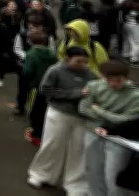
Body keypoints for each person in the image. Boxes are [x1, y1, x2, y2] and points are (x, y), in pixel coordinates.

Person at [27, 46, 97, 194]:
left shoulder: (91, 75)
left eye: (85, 62)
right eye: (78, 61)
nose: (82, 65)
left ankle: (75, 185)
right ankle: (40, 174)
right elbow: (45, 90)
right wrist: (75, 93)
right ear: (68, 58)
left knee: (78, 150)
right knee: (52, 144)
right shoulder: (55, 70)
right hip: (58, 113)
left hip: (81, 117)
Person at [79, 60, 139, 196]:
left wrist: (98, 110)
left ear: (126, 77)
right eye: (109, 80)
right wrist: (110, 118)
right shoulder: (93, 86)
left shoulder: (136, 96)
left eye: (118, 80)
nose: (114, 84)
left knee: (113, 175)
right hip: (92, 132)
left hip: (119, 139)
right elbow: (83, 108)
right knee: (92, 169)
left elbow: (123, 120)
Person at [22, 31, 58, 147]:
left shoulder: (31, 54)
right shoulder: (52, 53)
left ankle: (36, 135)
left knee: (33, 109)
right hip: (50, 86)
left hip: (36, 86)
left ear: (29, 41)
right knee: (45, 109)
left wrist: (29, 82)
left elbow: (27, 72)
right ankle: (45, 133)